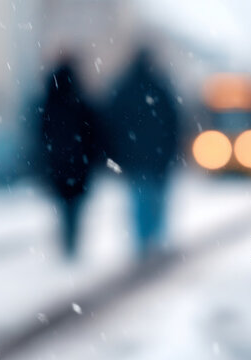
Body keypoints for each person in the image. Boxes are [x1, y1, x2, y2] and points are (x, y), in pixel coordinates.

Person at [105, 48, 179, 257]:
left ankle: (144, 244)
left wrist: (117, 157)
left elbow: (112, 125)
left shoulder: (124, 89)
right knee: (156, 201)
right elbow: (173, 124)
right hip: (157, 158)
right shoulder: (160, 88)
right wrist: (169, 153)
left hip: (135, 160)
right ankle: (155, 242)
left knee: (140, 201)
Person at [38, 59, 101, 259]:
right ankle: (71, 244)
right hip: (78, 166)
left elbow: (40, 137)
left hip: (58, 167)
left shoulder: (48, 105)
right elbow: (94, 136)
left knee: (64, 208)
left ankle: (67, 244)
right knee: (74, 209)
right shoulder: (81, 103)